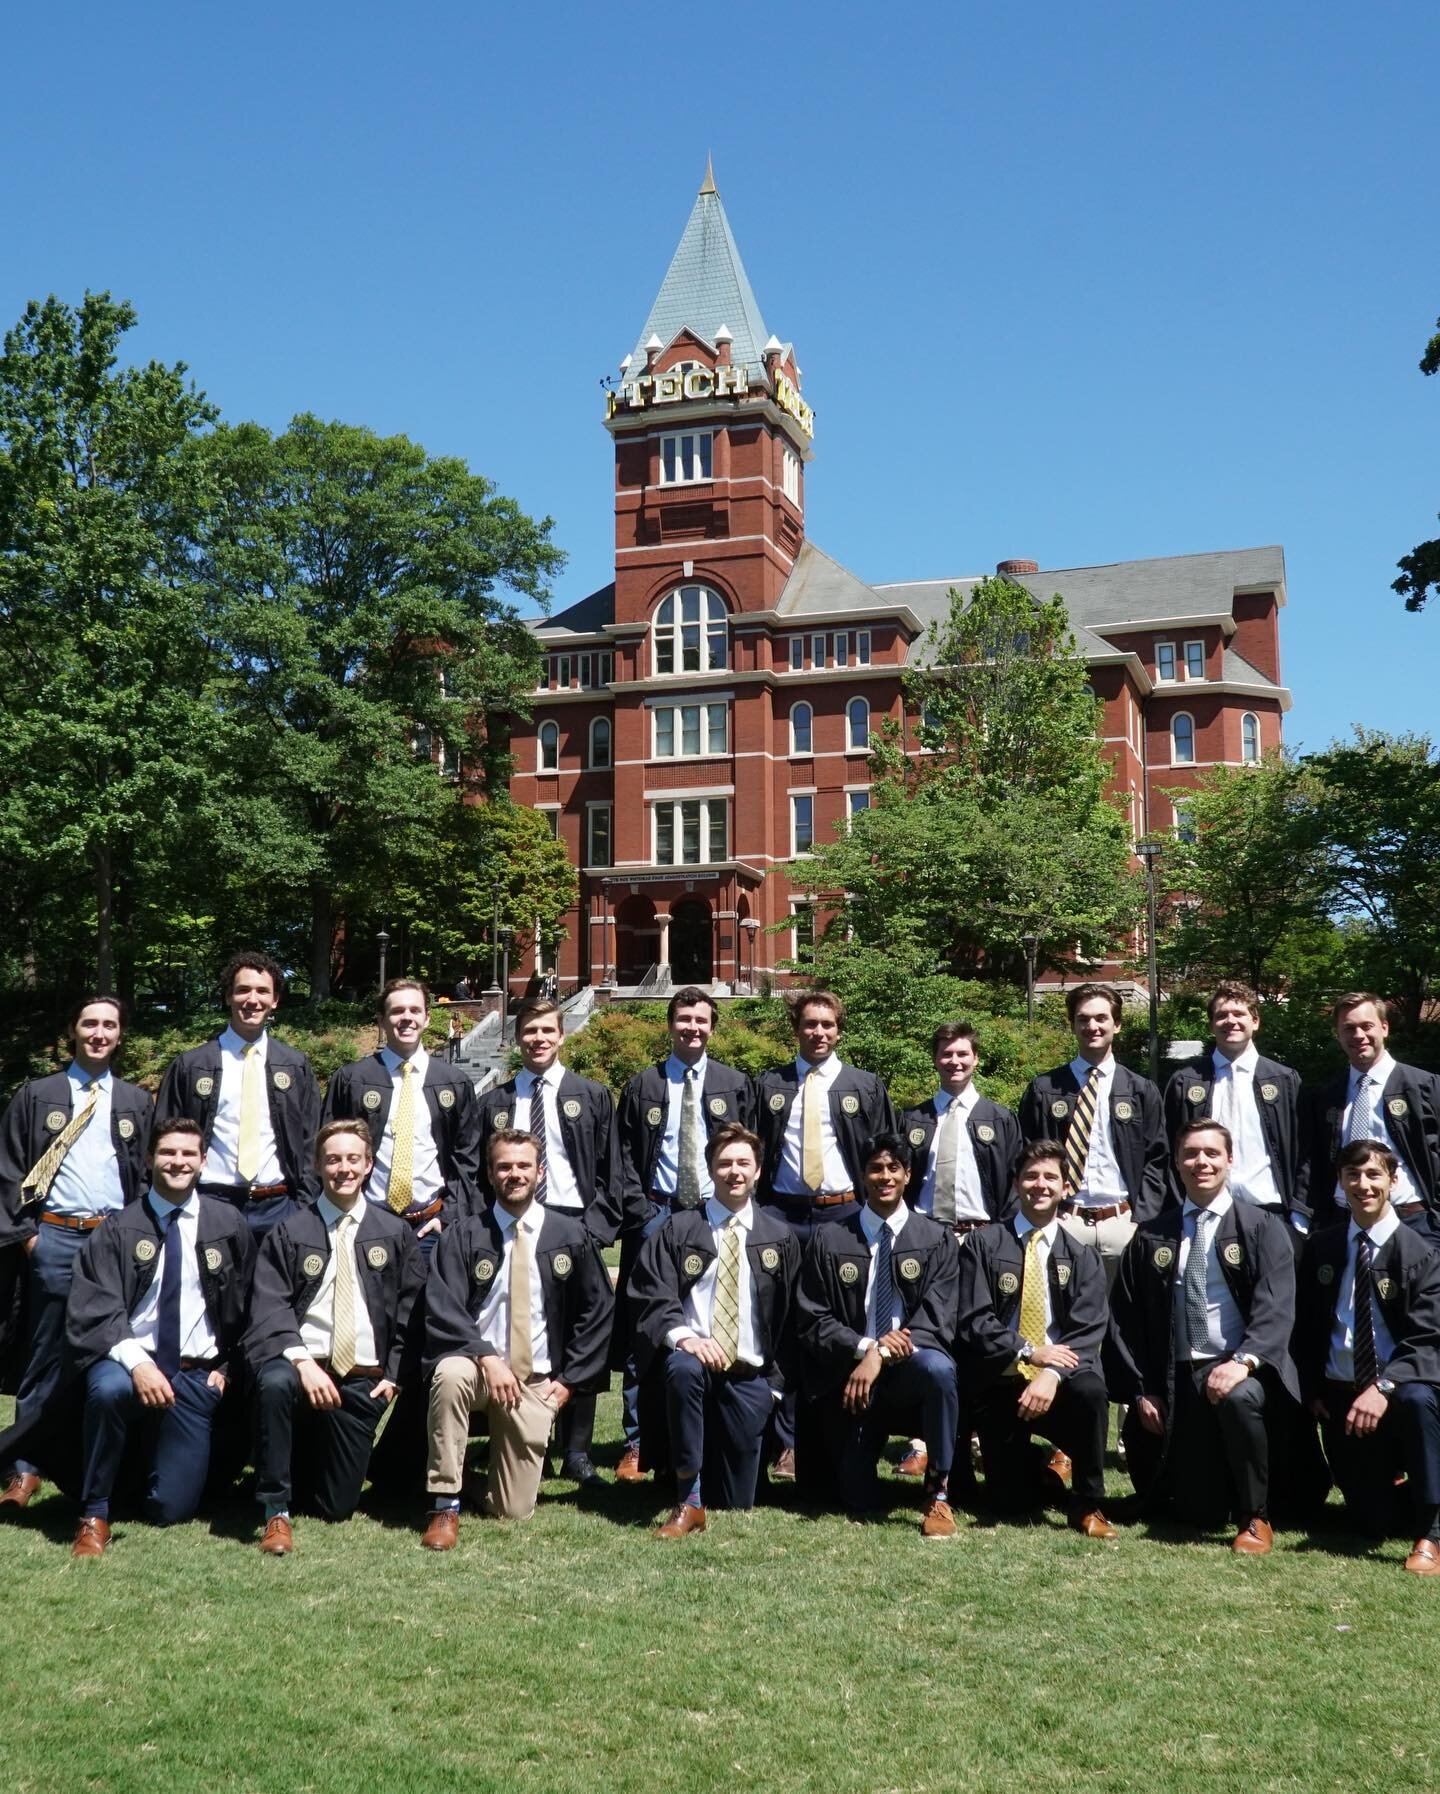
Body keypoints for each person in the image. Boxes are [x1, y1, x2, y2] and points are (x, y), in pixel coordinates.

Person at [53, 1119, 253, 1555]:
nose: (177, 1161)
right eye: (167, 1153)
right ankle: (95, 1513)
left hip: (194, 1376)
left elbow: (249, 1305)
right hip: (127, 1361)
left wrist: (225, 1368)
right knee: (107, 1392)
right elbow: (96, 1306)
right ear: (149, 1159)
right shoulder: (119, 1228)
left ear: (203, 1161)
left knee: (169, 1510)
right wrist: (139, 1364)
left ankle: (139, 1473)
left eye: (187, 1154)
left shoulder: (228, 1224)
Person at [1107, 1118, 1300, 1553]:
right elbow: (1125, 1320)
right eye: (1191, 1154)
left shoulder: (1262, 1227)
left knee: (1239, 1397)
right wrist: (1142, 1391)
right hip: (1181, 1377)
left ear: (1230, 1161)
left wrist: (1243, 1361)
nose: (1201, 1162)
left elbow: (1277, 1306)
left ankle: (1256, 1517)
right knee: (1198, 1513)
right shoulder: (1153, 1233)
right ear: (1176, 1163)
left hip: (1246, 1368)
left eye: (1212, 1153)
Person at [418, 1130, 613, 1547]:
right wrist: (487, 1358)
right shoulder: (465, 1235)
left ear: (539, 1172)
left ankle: (468, 1474)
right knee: (450, 1374)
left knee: (512, 1509)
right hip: (479, 1370)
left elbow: (596, 1312)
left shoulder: (570, 1236)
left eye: (523, 1166)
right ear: (490, 1174)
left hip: (537, 1383)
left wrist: (567, 1384)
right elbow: (443, 1305)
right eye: (504, 1166)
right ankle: (444, 1502)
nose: (514, 1174)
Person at [244, 1120, 425, 1555]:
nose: (342, 1168)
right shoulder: (291, 1231)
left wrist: (395, 1376)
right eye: (333, 1160)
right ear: (317, 1166)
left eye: (352, 1159)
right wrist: (303, 1362)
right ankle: (276, 1511)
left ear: (367, 1165)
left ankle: (294, 1464)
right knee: (274, 1382)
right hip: (303, 1369)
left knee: (335, 1506)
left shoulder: (393, 1232)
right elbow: (269, 1306)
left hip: (362, 1381)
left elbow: (411, 1311)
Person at [0, 995, 153, 1508]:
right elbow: (9, 1167)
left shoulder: (135, 1100)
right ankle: (24, 1468)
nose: (100, 1033)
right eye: (90, 1023)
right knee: (44, 1354)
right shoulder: (38, 1094)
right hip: (55, 1237)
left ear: (120, 1035)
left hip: (114, 1241)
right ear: (73, 1029)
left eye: (110, 1025)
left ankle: (103, 1459)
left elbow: (147, 1176)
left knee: (112, 1350)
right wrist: (29, 1237)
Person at [474, 997, 622, 1484]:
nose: (538, 1039)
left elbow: (610, 1172)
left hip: (572, 1226)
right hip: (513, 1223)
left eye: (547, 1031)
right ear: (517, 1038)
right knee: (522, 1324)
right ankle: (515, 1431)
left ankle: (577, 1449)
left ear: (562, 1036)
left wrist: (594, 1230)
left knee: (580, 1330)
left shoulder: (592, 1095)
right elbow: (479, 1174)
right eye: (530, 1031)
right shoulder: (495, 1102)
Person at [630, 1123, 801, 1537]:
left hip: (750, 1377)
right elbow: (651, 1294)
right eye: (724, 1164)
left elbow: (794, 1322)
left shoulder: (779, 1237)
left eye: (743, 1163)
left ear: (759, 1170)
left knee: (738, 1499)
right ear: (710, 1169)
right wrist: (684, 1337)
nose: (734, 1172)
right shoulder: (679, 1229)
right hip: (694, 1366)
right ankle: (688, 1499)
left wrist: (774, 1389)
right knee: (684, 1368)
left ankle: (707, 1480)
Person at [614, 986, 755, 1481]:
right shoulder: (643, 1086)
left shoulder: (735, 1084)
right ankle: (637, 1439)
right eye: (683, 1019)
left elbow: (752, 1152)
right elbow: (624, 1157)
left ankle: (716, 1425)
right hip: (658, 1215)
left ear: (713, 1027)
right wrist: (640, 1213)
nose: (692, 1028)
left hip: (716, 1216)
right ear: (669, 1025)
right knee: (648, 1327)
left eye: (701, 1020)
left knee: (719, 1315)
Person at [756, 989, 897, 1480]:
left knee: (840, 1328)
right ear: (795, 1028)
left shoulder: (866, 1086)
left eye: (828, 1025)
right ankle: (787, 1442)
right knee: (785, 1328)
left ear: (840, 1030)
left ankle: (847, 1437)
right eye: (810, 1024)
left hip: (844, 1218)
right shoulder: (770, 1084)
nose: (818, 1032)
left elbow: (886, 1158)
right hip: (783, 1217)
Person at [795, 1132, 960, 1536]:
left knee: (940, 1369)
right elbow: (812, 1317)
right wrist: (865, 1347)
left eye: (893, 1168)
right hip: (852, 1383)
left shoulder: (935, 1238)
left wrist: (881, 1354)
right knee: (856, 1499)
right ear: (862, 1175)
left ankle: (939, 1491)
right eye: (875, 1168)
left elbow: (938, 1316)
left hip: (910, 1370)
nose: (884, 1176)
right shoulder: (831, 1238)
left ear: (907, 1176)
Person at [955, 1140, 1116, 1539]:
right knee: (1011, 1505)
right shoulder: (983, 1244)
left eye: (1050, 1177)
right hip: (1001, 1377)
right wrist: (1028, 1351)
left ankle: (1088, 1504)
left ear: (1065, 1188)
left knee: (1093, 1391)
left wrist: (1052, 1372)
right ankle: (1037, 1466)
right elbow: (973, 1318)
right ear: (1016, 1183)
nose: (1040, 1185)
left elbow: (1087, 1327)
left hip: (1062, 1379)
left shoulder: (1082, 1256)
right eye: (1031, 1176)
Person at [1294, 1140, 1440, 1573]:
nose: (1364, 1184)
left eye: (1374, 1175)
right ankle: (1398, 1489)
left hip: (1400, 1392)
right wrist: (1314, 1388)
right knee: (1371, 1523)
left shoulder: (1422, 1254)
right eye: (1353, 1175)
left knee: (1418, 1399)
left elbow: (1430, 1338)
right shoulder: (1322, 1247)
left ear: (1394, 1182)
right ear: (1340, 1183)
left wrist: (1384, 1386)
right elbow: (1307, 1326)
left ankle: (1431, 1532)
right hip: (1344, 1401)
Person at [897, 1020, 1021, 1480]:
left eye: (963, 1054)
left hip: (981, 1240)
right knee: (929, 1335)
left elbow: (1012, 1186)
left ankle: (977, 1439)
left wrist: (998, 1240)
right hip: (928, 1241)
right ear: (935, 1059)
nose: (955, 1061)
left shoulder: (999, 1118)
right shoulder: (914, 1119)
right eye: (947, 1054)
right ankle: (924, 1440)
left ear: (975, 1059)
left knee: (977, 1336)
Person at [156, 951, 321, 1239]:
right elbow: (164, 1136)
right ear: (228, 997)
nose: (252, 999)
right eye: (243, 990)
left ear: (275, 1000)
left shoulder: (295, 1066)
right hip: (210, 1204)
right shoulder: (192, 1066)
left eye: (262, 991)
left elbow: (311, 1139)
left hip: (280, 1208)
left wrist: (304, 1205)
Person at [1020, 982, 1168, 1287]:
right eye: (1083, 1019)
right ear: (1072, 1025)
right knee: (1063, 1321)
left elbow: (1158, 1157)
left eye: (1101, 1018)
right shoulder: (1044, 1089)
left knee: (1124, 1323)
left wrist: (1144, 1217)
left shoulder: (1141, 1090)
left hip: (1123, 1222)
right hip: (1064, 1219)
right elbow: (1026, 1154)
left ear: (1117, 1024)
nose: (1092, 1026)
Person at [322, 978, 480, 1237]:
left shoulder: (454, 1083)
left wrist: (449, 1215)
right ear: (381, 1021)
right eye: (397, 1011)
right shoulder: (352, 1080)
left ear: (427, 1019)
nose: (406, 1018)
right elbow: (327, 1148)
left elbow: (467, 1158)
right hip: (366, 1224)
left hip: (432, 1226)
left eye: (415, 1010)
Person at [1164, 981, 1308, 1238]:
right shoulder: (1185, 1082)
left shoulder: (1284, 1080)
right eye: (1221, 1015)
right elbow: (1170, 1151)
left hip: (1271, 1213)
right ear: (1211, 1025)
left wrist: (1299, 1213)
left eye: (1239, 1014)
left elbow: (1305, 1150)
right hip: (1203, 1213)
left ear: (1255, 1021)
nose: (1230, 1021)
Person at [1303, 993, 1440, 1243]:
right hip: (1344, 1223)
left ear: (1384, 1028)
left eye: (1367, 1026)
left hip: (1414, 1223)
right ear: (1339, 1035)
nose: (1358, 1035)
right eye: (1349, 1028)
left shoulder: (1425, 1087)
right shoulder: (1327, 1097)